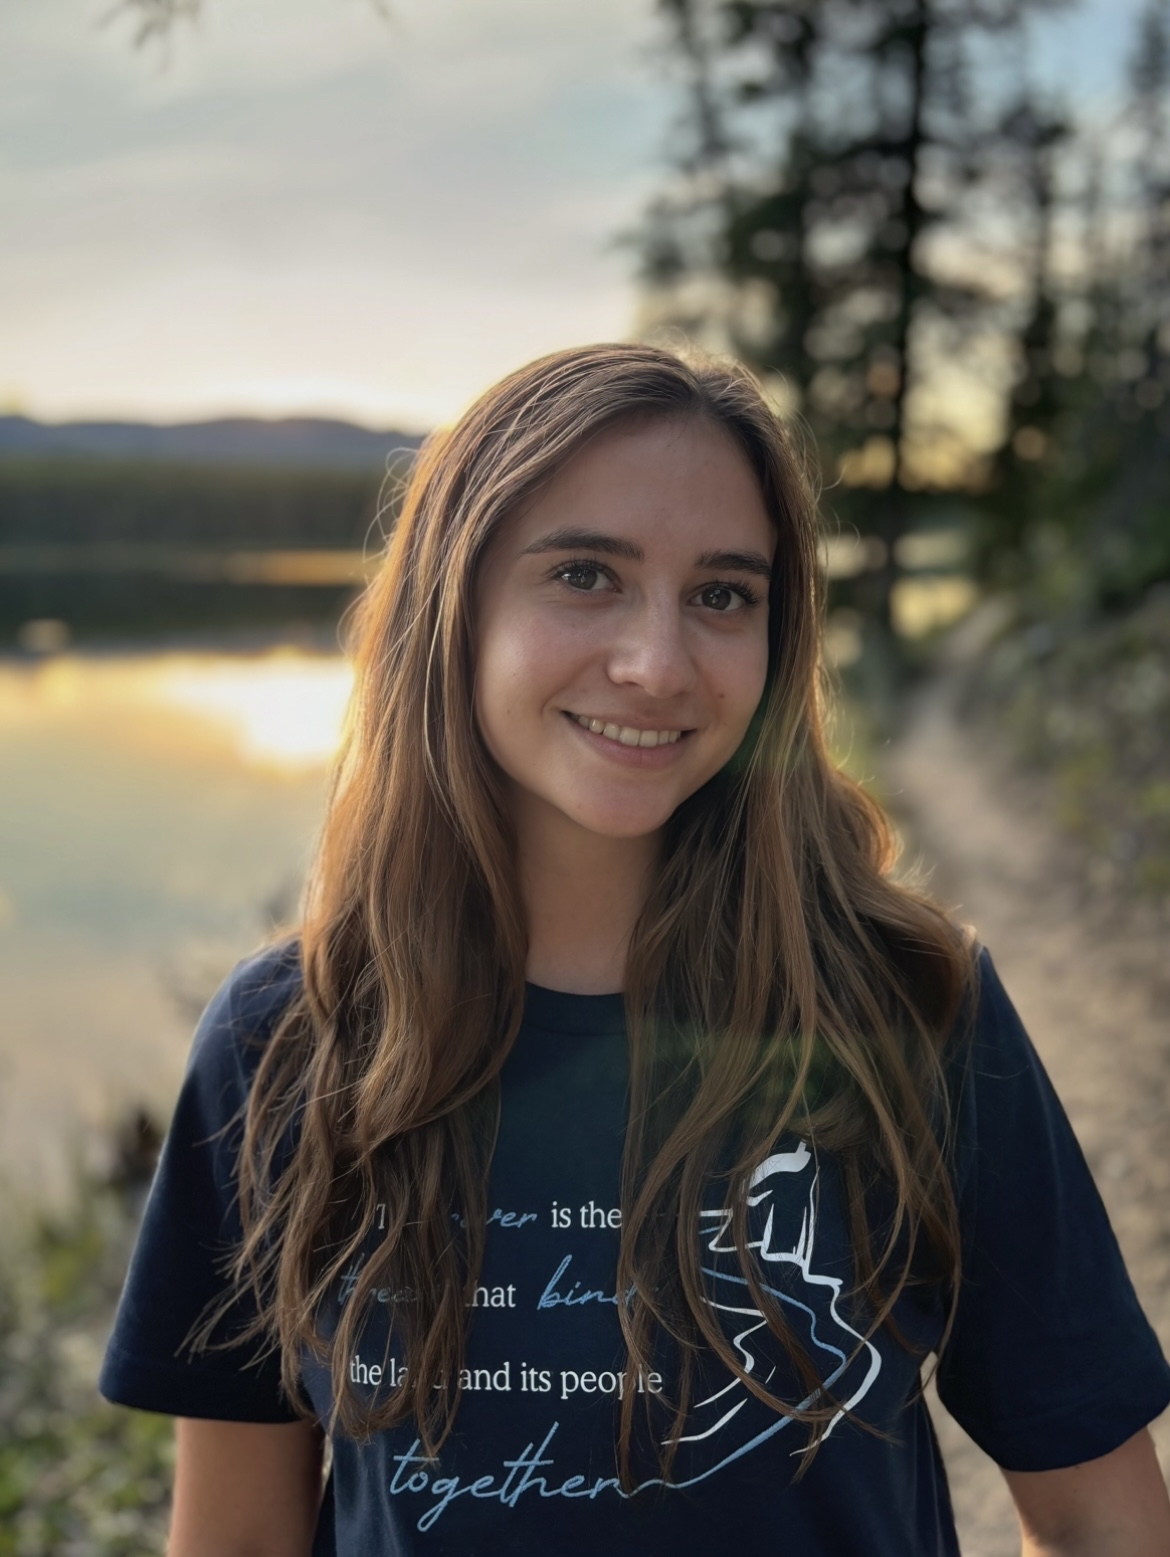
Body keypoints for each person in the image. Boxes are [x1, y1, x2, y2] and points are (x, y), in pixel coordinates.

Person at [100, 344, 1170, 1556]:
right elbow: (236, 1541)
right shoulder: (284, 1041)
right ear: (454, 607)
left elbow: (1101, 1517)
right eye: (585, 575)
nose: (657, 665)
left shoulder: (911, 1010)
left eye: (723, 594)